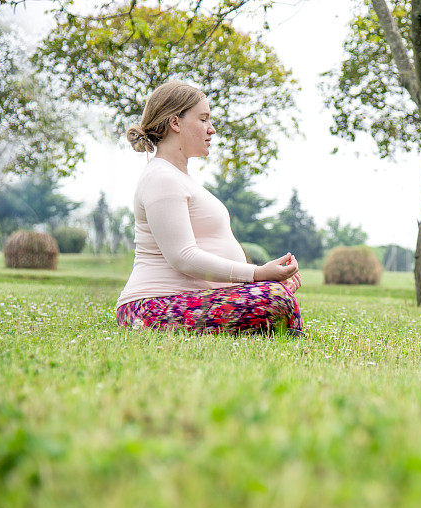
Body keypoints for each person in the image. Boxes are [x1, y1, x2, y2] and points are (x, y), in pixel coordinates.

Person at [115, 81, 304, 336]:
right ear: (175, 123)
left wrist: (264, 281)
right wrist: (258, 274)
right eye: (203, 119)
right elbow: (183, 257)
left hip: (183, 299)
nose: (212, 129)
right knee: (274, 298)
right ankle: (266, 326)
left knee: (276, 295)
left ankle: (265, 327)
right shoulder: (161, 178)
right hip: (150, 307)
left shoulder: (178, 177)